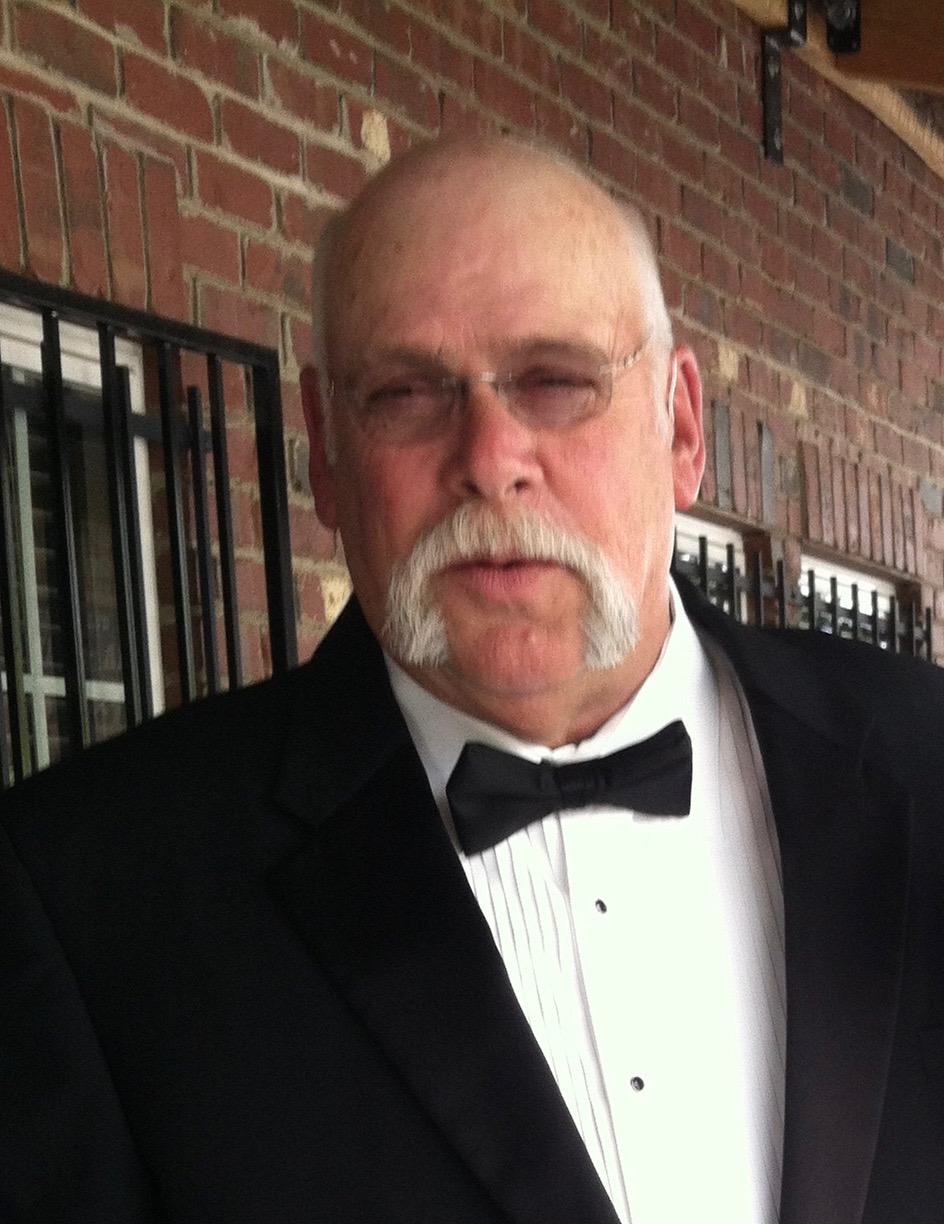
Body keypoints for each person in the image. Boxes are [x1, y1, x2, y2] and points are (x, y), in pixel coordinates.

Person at [1, 135, 942, 1224]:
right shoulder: (90, 893)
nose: (490, 458)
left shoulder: (927, 760)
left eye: (557, 381)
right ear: (324, 451)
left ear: (680, 427)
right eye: (406, 392)